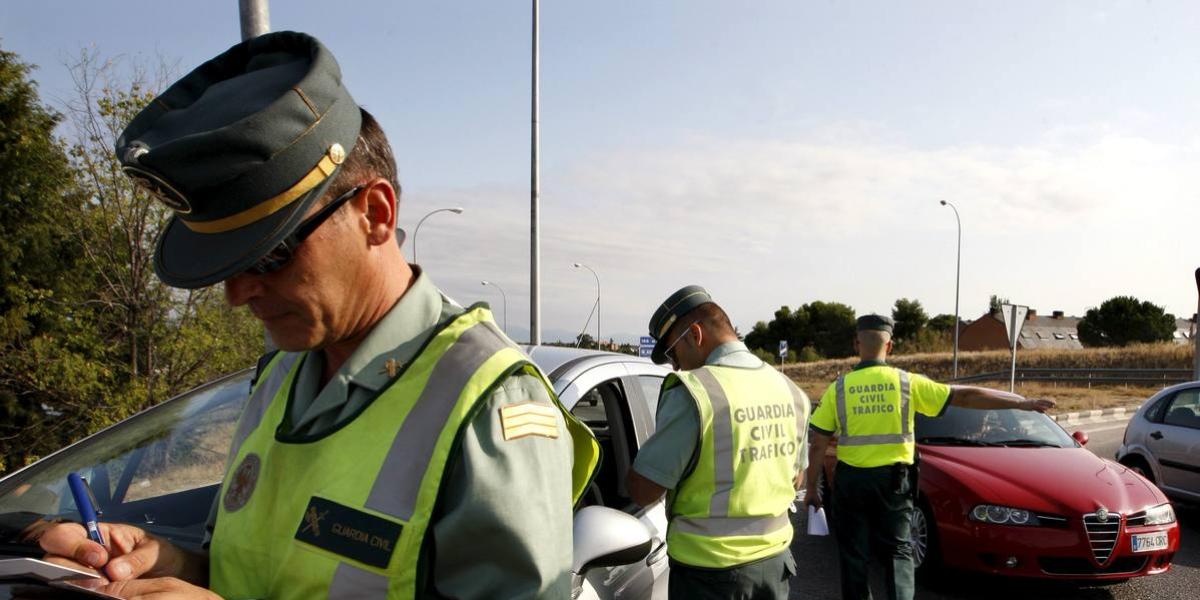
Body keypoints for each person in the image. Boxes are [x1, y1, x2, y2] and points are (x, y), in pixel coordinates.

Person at [37, 31, 599, 600]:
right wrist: (171, 562)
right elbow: (259, 572)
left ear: (375, 214)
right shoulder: (284, 368)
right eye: (225, 266)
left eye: (268, 255)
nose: (238, 295)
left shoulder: (489, 404)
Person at [803, 314, 1055, 600]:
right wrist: (1021, 403)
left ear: (856, 343)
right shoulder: (907, 383)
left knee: (854, 555)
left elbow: (818, 443)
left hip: (852, 482)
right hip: (894, 483)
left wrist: (812, 489)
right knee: (898, 551)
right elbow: (967, 396)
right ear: (891, 346)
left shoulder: (839, 389)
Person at [626, 286, 810, 600]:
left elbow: (644, 491)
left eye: (672, 353)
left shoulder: (695, 392)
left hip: (711, 575)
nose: (675, 366)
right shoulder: (790, 390)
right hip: (774, 567)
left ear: (694, 334)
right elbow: (796, 478)